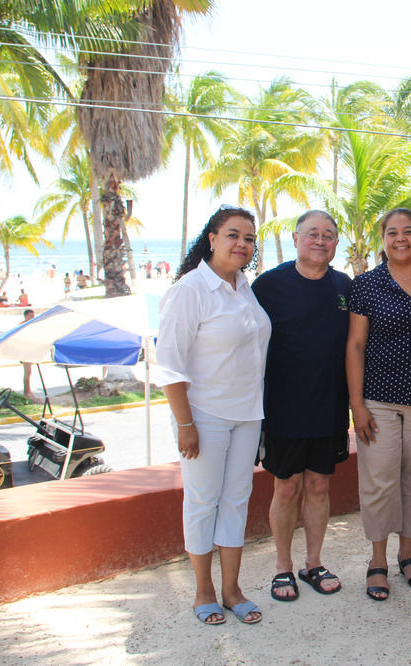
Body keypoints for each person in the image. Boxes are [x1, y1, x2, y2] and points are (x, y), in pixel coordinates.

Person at [156, 205, 271, 626]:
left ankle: (232, 589)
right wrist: (185, 425)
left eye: (249, 239)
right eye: (233, 235)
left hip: (247, 414)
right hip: (204, 416)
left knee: (237, 500)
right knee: (203, 503)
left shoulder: (244, 286)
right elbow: (169, 365)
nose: (242, 244)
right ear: (212, 238)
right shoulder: (190, 290)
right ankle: (204, 590)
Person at [345, 208, 411, 601]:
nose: (400, 238)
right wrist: (357, 405)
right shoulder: (367, 285)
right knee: (379, 480)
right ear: (382, 239)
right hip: (379, 400)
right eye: (392, 232)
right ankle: (377, 560)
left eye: (408, 231)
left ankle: (408, 551)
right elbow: (354, 346)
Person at [252, 210, 352, 601]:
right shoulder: (268, 286)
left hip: (329, 406)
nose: (320, 240)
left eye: (328, 235)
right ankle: (282, 567)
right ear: (295, 238)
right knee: (287, 487)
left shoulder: (344, 285)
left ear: (336, 243)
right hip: (282, 407)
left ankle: (314, 562)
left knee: (319, 485)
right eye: (312, 233)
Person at [21, 309, 36, 400]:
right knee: (27, 372)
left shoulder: (31, 325)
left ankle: (28, 391)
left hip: (30, 351)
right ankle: (27, 392)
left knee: (29, 372)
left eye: (33, 316)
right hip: (24, 352)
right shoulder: (22, 326)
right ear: (26, 316)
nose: (32, 318)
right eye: (31, 316)